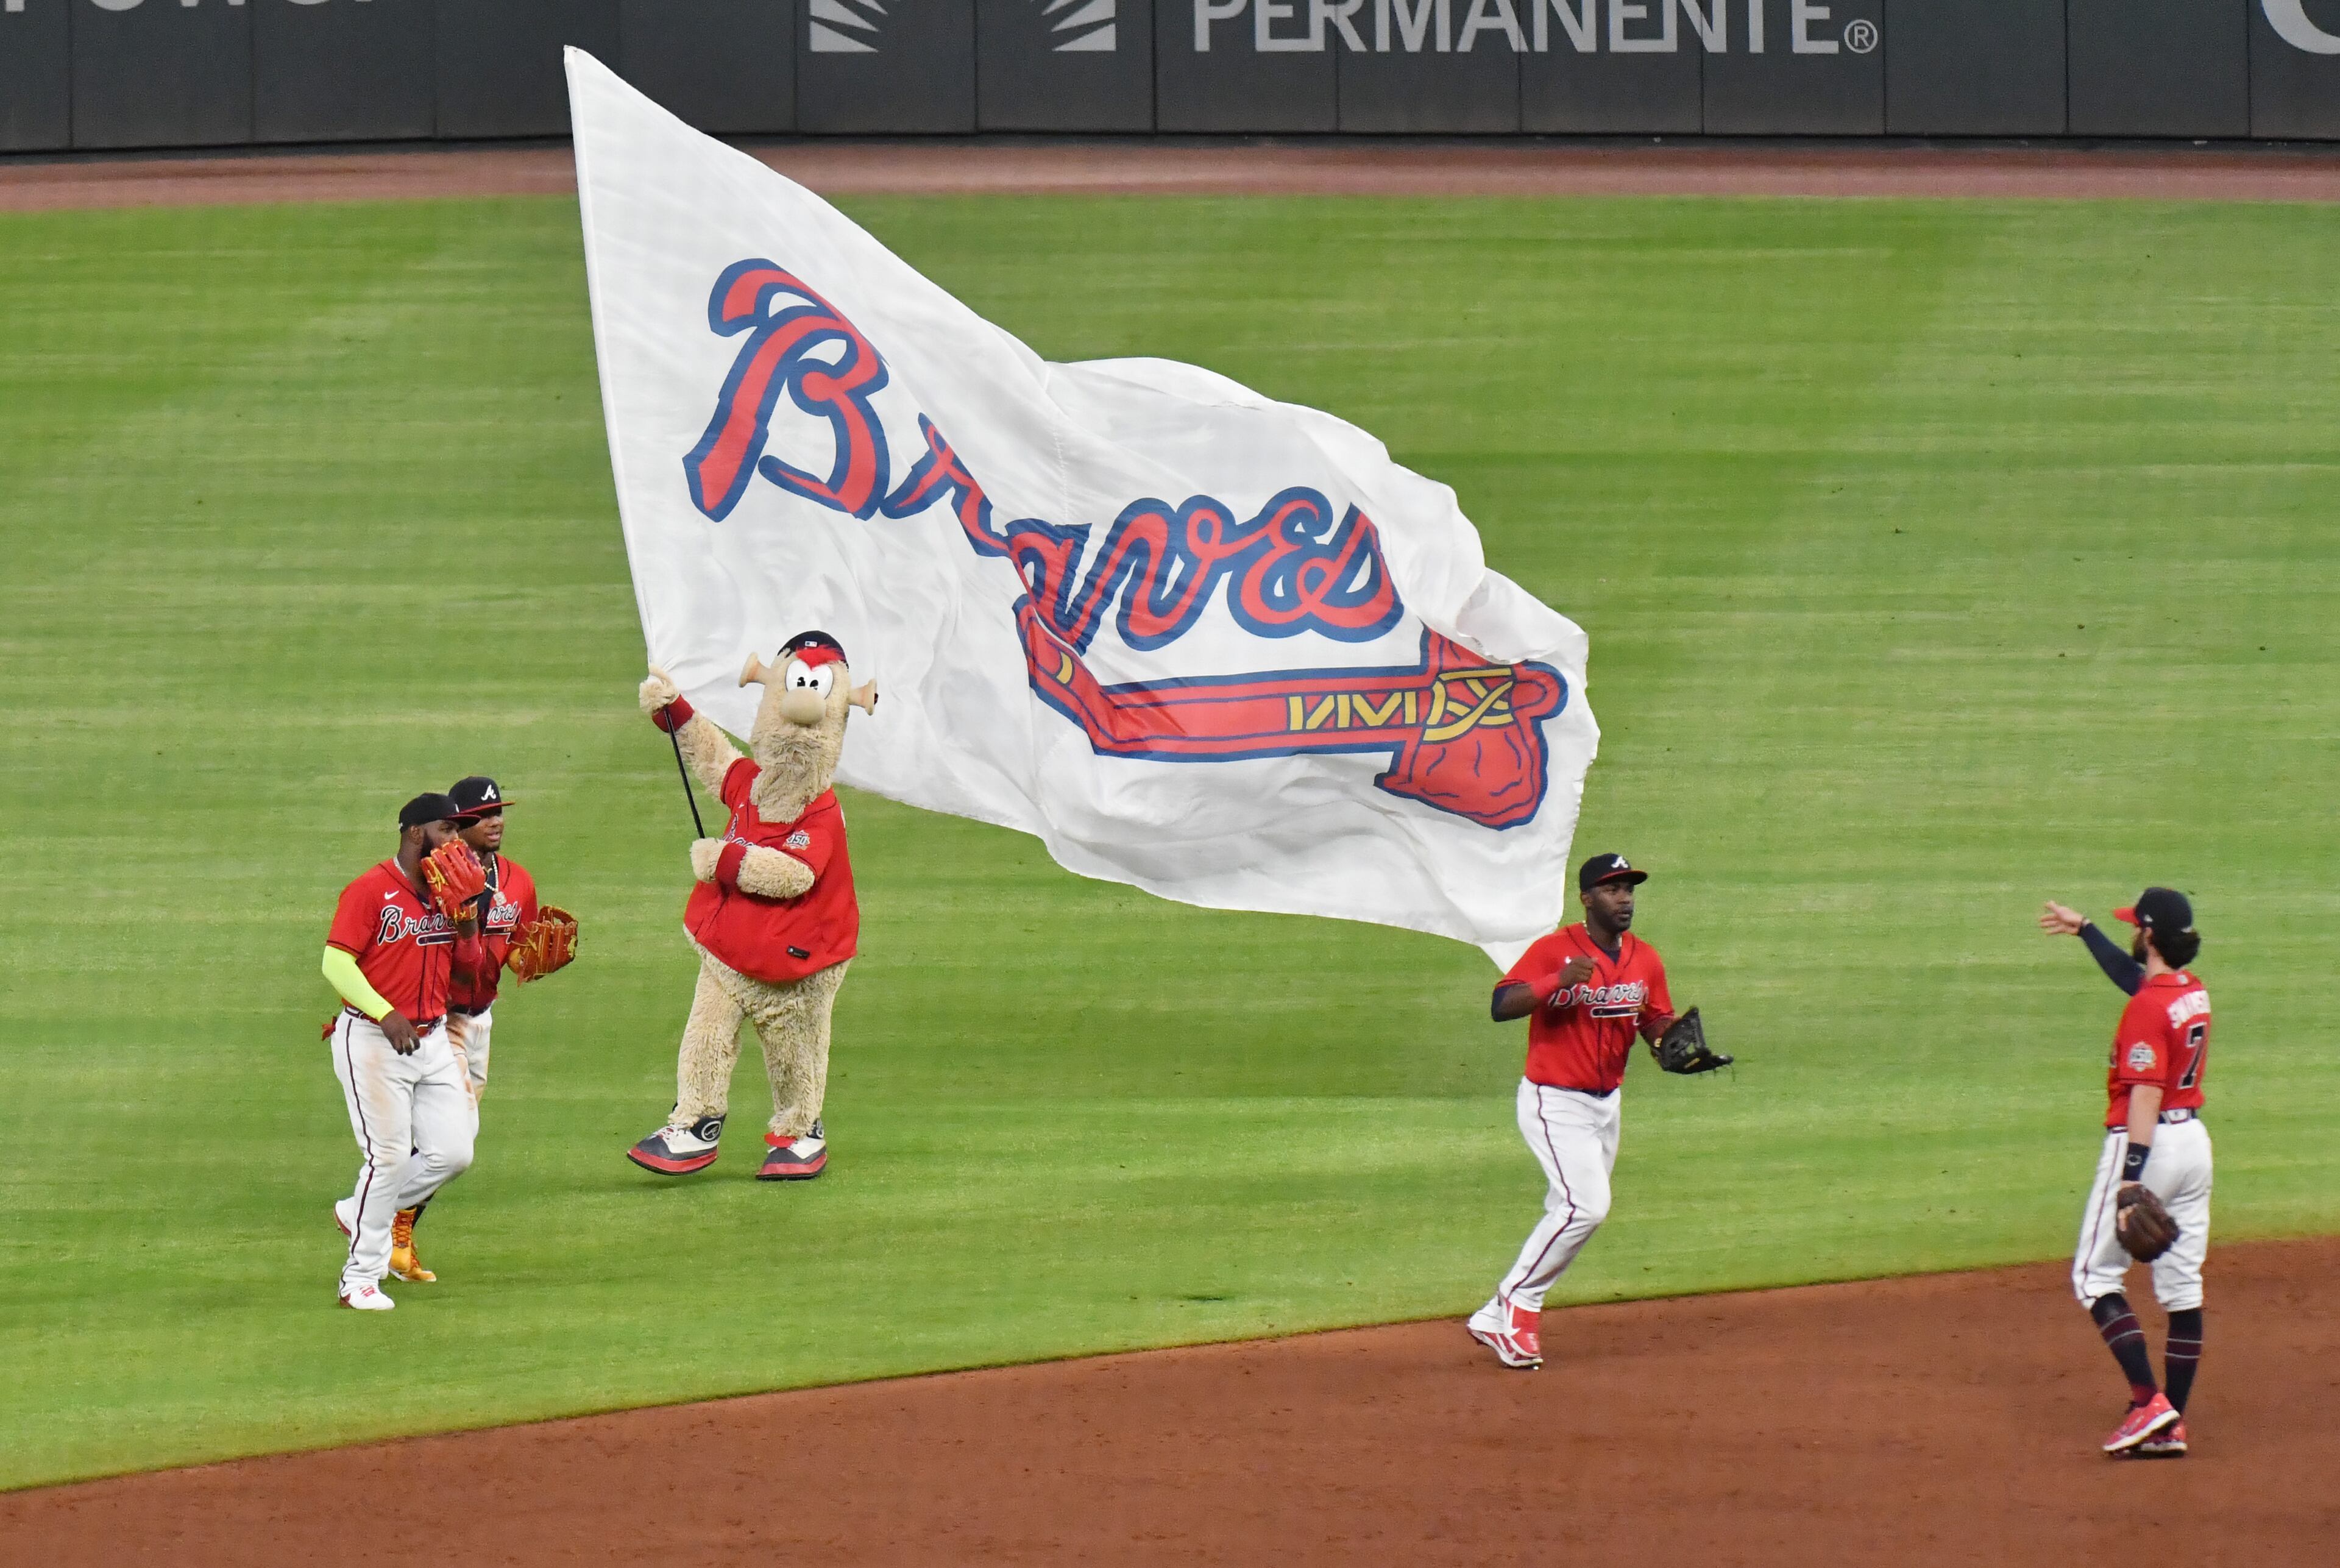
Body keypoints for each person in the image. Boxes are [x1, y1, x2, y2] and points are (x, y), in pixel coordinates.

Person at [1467, 853, 1679, 1371]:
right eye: (1612, 889)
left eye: (1629, 888)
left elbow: (1655, 1019)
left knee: (1572, 1210)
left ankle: (1494, 1314)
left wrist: (1672, 1043)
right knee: (1585, 1207)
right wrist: (1554, 984)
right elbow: (1502, 1004)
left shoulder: (1645, 958)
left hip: (1608, 1104)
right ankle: (1519, 1305)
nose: (1624, 897)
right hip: (1554, 1100)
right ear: (1586, 899)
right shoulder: (1554, 950)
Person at [2040, 888, 2212, 1456]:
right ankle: (2173, 1424)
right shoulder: (2190, 993)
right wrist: (2086, 929)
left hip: (2149, 1142)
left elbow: (2143, 1092)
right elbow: (2135, 979)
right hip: (2193, 1146)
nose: (2131, 934)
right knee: (2182, 1288)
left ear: (2150, 936)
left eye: (2135, 926)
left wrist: (2131, 1179)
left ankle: (2149, 1403)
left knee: (2095, 1277)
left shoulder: (2146, 1007)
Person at [379, 775, 543, 1286]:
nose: (494, 822)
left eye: (499, 813)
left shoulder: (519, 881)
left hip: (482, 1020)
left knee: (448, 1140)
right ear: (455, 827)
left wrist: (536, 960)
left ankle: (391, 1233)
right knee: (456, 1139)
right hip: (441, 1021)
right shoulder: (435, 883)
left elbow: (521, 949)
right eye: (479, 817)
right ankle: (382, 1224)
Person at [322, 793, 483, 1311]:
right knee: (387, 1157)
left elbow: (470, 966)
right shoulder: (370, 891)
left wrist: (466, 921)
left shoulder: (447, 894)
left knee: (454, 1151)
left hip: (431, 1038)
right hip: (371, 1037)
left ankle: (357, 1210)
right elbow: (336, 963)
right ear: (416, 833)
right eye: (447, 830)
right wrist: (384, 1011)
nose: (456, 842)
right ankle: (359, 1278)